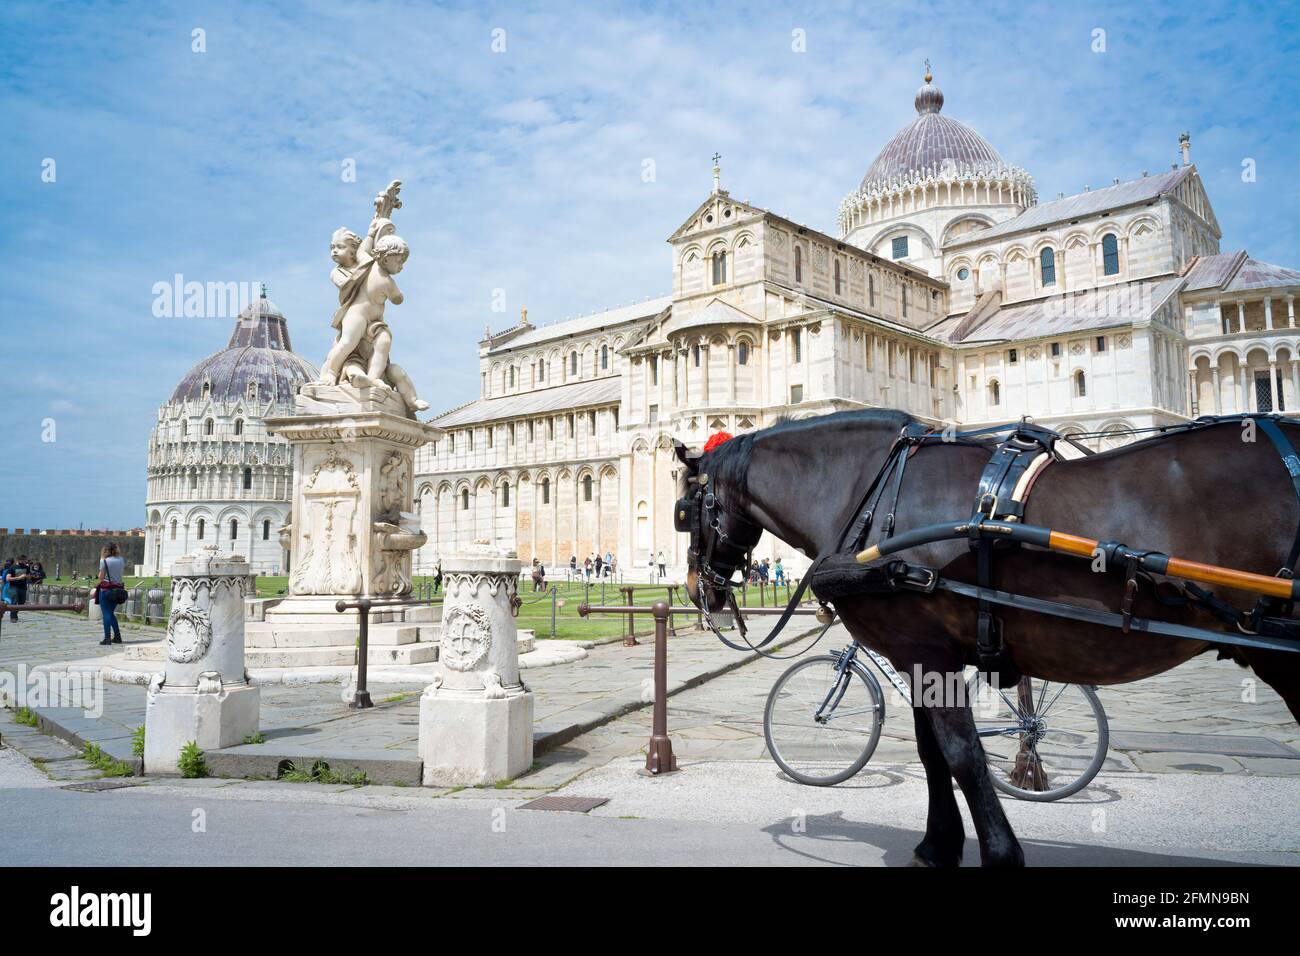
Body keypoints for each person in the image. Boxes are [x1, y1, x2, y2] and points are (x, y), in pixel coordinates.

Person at [96, 542, 126, 646]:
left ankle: (107, 638)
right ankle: (117, 636)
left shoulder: (104, 561)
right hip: (118, 590)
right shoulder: (121, 560)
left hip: (106, 590)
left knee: (106, 614)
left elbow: (101, 577)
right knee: (111, 613)